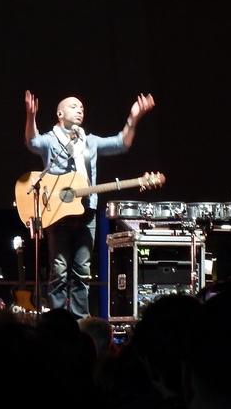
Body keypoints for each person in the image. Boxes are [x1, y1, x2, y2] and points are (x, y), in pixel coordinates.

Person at [24, 90, 155, 319]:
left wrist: (134, 119)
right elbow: (33, 142)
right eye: (74, 106)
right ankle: (57, 321)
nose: (79, 110)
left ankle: (80, 321)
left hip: (87, 213)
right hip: (57, 214)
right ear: (60, 113)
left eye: (82, 108)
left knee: (82, 272)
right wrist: (30, 117)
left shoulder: (89, 142)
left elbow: (121, 144)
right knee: (59, 271)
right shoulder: (51, 140)